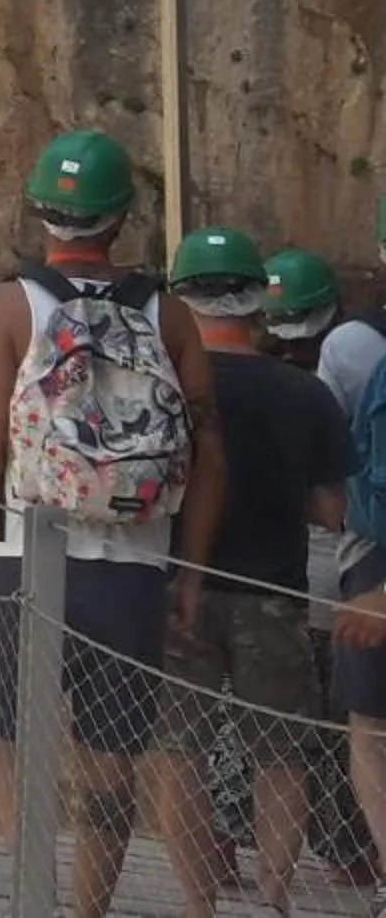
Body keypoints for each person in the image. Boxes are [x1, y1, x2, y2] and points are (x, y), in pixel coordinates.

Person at [0, 130, 225, 918]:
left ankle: (24, 884)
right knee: (111, 760)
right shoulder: (167, 314)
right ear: (121, 220)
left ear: (41, 210)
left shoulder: (8, 305)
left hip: (27, 556)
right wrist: (192, 571)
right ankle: (86, 911)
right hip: (132, 570)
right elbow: (209, 446)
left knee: (11, 737)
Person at [148, 228, 350, 915]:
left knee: (179, 748)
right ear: (254, 303)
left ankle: (198, 902)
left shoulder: (170, 383)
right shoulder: (303, 393)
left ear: (183, 299)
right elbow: (330, 510)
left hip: (179, 587)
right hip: (274, 593)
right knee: (281, 751)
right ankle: (273, 896)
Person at [262, 247, 386, 888]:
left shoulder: (343, 354)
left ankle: (328, 858)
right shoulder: (356, 350)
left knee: (348, 725)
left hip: (330, 571)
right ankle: (347, 852)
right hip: (337, 569)